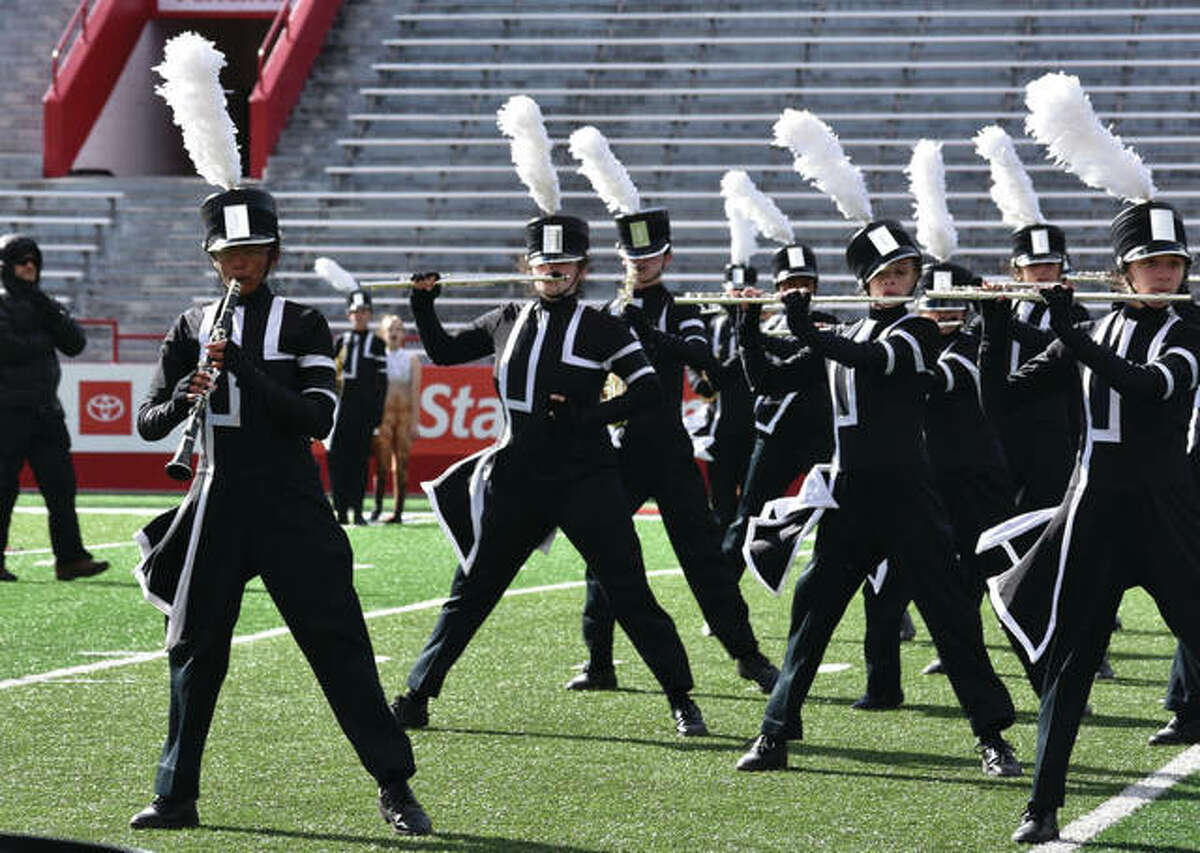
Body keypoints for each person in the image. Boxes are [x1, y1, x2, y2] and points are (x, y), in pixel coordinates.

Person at [130, 187, 430, 835]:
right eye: (230, 253)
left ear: (273, 254)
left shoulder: (303, 323)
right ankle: (175, 793)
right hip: (214, 498)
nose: (242, 264)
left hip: (291, 500)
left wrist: (243, 368)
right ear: (213, 259)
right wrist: (185, 394)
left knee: (338, 641)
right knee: (192, 647)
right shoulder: (189, 324)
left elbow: (317, 417)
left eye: (254, 252)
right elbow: (148, 421)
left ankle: (395, 784)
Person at [389, 214, 708, 736]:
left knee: (627, 587)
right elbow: (444, 352)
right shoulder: (505, 318)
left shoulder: (605, 326)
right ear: (529, 267)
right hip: (518, 476)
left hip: (588, 475)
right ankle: (418, 693)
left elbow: (648, 388)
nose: (554, 271)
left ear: (582, 270)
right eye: (544, 264)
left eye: (565, 264)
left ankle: (680, 696)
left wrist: (588, 417)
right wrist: (423, 304)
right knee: (471, 588)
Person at [735, 220, 1019, 777]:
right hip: (848, 497)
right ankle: (774, 733)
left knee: (949, 616)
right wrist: (747, 328)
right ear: (865, 282)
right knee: (811, 616)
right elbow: (767, 382)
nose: (895, 282)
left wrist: (805, 327)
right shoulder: (845, 334)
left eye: (904, 273)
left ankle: (991, 736)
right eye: (884, 275)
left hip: (908, 495)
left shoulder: (917, 332)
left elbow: (878, 362)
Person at [978, 200, 1200, 843]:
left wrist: (1067, 332)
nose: (1164, 275)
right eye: (1149, 265)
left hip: (1167, 515)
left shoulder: (1189, 333)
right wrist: (994, 328)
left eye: (1174, 264)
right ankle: (1041, 805)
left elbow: (1145, 385)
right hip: (1092, 516)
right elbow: (1004, 400)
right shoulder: (1091, 332)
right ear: (1124, 273)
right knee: (1069, 664)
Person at [567, 207, 779, 695]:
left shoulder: (683, 309)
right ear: (620, 258)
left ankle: (746, 654)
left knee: (702, 557)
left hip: (667, 449)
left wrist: (646, 330)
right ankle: (599, 660)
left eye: (650, 256)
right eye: (631, 256)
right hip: (618, 450)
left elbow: (706, 363)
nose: (640, 264)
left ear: (666, 258)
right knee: (601, 553)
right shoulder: (602, 314)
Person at [0, 233, 108, 583]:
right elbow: (8, 348)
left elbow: (76, 343)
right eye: (21, 260)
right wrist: (47, 336)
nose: (29, 266)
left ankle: (71, 559)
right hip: (7, 412)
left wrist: (46, 313)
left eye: (34, 260)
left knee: (61, 487)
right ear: (6, 265)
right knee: (3, 488)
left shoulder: (43, 302)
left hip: (46, 412)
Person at [722, 244, 834, 566]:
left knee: (846, 522)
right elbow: (754, 375)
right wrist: (744, 326)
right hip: (775, 437)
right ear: (777, 289)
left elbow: (798, 350)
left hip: (822, 439)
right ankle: (720, 611)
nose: (797, 290)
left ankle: (889, 614)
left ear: (815, 287)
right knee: (745, 520)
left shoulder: (826, 323)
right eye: (788, 284)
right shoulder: (766, 324)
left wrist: (750, 330)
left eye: (804, 284)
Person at [687, 264, 757, 533]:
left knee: (752, 500)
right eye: (733, 291)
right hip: (720, 424)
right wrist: (697, 381)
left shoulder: (762, 325)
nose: (736, 297)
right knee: (721, 500)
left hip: (754, 424)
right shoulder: (712, 324)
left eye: (742, 292)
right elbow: (694, 360)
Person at [329, 289, 387, 525]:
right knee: (337, 461)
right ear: (348, 315)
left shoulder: (377, 343)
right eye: (355, 312)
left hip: (363, 412)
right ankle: (340, 510)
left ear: (370, 314)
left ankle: (358, 510)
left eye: (364, 312)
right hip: (340, 412)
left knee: (360, 462)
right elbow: (330, 376)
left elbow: (382, 383)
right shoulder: (341, 341)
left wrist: (376, 416)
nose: (359, 316)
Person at [371, 314, 420, 523]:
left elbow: (416, 392)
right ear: (382, 333)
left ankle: (398, 511)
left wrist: (415, 422)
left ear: (403, 334)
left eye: (398, 328)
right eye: (390, 328)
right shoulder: (377, 357)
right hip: (383, 416)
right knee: (381, 464)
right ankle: (377, 506)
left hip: (404, 416)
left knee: (401, 464)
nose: (393, 332)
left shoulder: (411, 359)